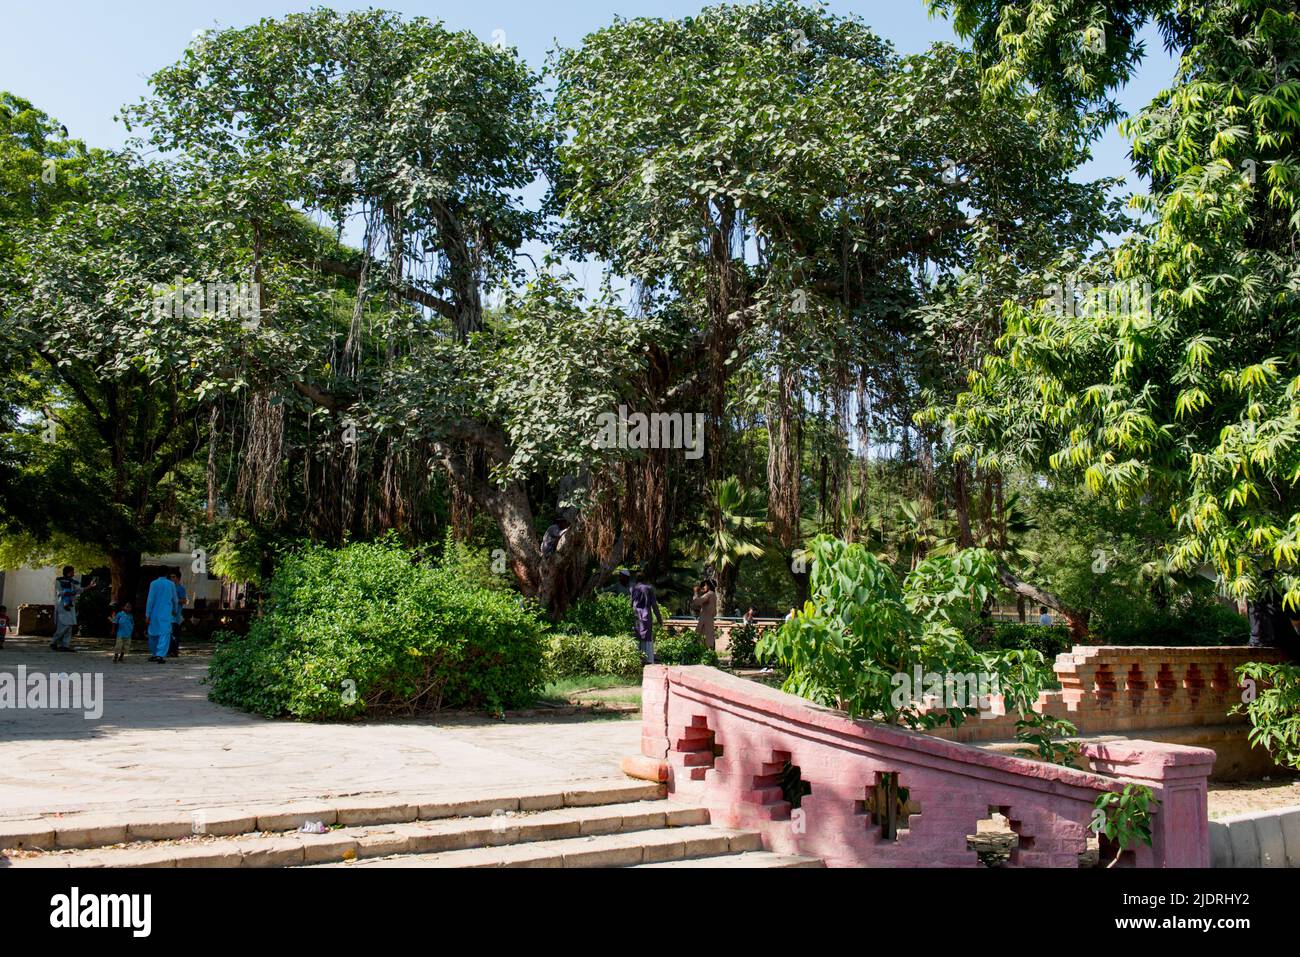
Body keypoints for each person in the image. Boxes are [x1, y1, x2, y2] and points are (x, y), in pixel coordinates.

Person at [51, 566, 93, 653]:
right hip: (63, 605)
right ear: (69, 572)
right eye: (72, 572)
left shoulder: (72, 582)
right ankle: (54, 642)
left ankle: (65, 645)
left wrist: (89, 586)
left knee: (69, 626)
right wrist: (71, 593)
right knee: (64, 625)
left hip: (70, 606)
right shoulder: (59, 581)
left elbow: (79, 590)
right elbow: (61, 592)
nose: (73, 574)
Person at [145, 571, 179, 664]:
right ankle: (160, 655)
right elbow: (175, 599)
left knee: (153, 634)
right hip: (166, 612)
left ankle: (154, 653)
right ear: (166, 574)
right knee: (164, 633)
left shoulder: (153, 583)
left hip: (154, 613)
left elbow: (150, 600)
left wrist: (147, 614)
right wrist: (175, 610)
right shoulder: (171, 584)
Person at [629, 571, 664, 663]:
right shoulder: (648, 588)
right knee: (647, 638)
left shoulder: (633, 588)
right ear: (645, 579)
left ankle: (637, 659)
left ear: (636, 579)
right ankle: (648, 660)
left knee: (637, 637)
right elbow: (654, 605)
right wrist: (660, 619)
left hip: (636, 616)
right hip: (646, 616)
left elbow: (630, 604)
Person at [691, 579, 718, 651]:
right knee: (709, 639)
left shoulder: (709, 594)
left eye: (705, 585)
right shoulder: (713, 594)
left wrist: (696, 592)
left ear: (709, 586)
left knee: (701, 639)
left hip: (705, 621)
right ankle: (710, 655)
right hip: (709, 620)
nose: (704, 587)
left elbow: (697, 602)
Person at [168, 571, 187, 658]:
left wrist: (175, 600)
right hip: (168, 614)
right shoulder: (169, 588)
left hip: (176, 615)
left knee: (175, 634)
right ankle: (168, 650)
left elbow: (184, 600)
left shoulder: (180, 588)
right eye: (171, 577)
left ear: (178, 578)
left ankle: (174, 651)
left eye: (173, 577)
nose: (172, 578)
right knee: (168, 633)